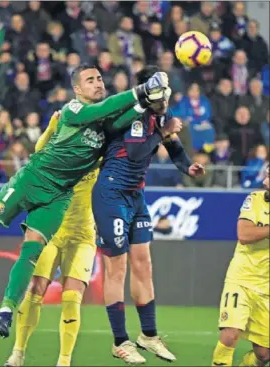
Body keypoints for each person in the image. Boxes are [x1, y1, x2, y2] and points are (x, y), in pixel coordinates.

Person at [0, 64, 170, 339]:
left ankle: (5, 311)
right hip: (31, 180)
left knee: (31, 250)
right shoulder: (73, 110)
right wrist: (140, 91)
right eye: (90, 80)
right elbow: (104, 109)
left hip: (58, 196)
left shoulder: (105, 124)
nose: (98, 83)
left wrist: (150, 102)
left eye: (100, 78)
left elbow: (121, 119)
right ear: (77, 89)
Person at [92, 67, 206, 364]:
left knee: (143, 264)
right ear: (148, 89)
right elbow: (135, 154)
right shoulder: (133, 114)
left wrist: (187, 167)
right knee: (116, 267)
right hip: (111, 194)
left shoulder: (159, 118)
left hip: (135, 195)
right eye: (160, 87)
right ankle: (120, 341)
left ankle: (149, 336)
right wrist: (162, 132)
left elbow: (174, 147)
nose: (166, 94)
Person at [5, 112, 97, 367]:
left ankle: (64, 361)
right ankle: (18, 352)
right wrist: (52, 124)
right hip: (52, 231)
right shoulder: (56, 153)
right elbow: (39, 147)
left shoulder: (98, 153)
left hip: (83, 235)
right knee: (35, 289)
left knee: (72, 297)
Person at [212, 165, 269, 367]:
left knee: (264, 355)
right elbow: (244, 235)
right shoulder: (255, 199)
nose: (265, 180)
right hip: (241, 279)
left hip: (266, 287)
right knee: (230, 334)